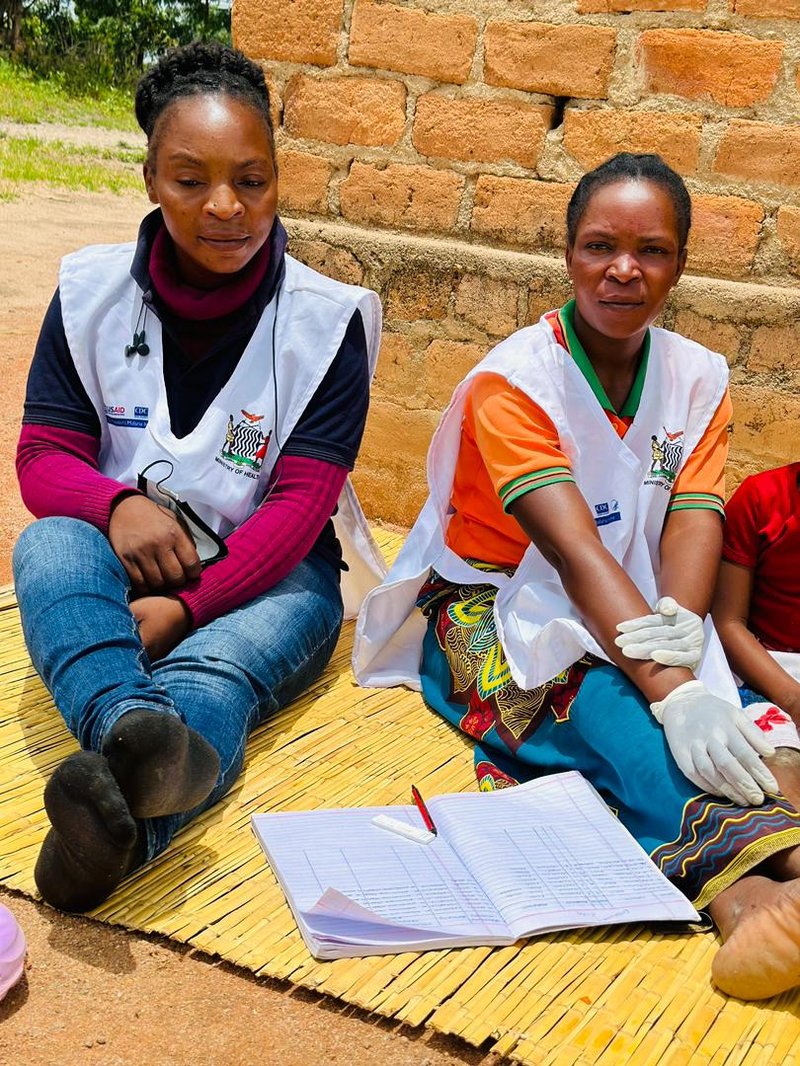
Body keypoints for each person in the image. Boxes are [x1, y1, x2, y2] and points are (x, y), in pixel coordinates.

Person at [354, 153, 800, 1001]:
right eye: (600, 245)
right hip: (488, 601)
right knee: (604, 706)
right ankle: (758, 890)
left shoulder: (699, 376)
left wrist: (682, 621)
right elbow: (570, 551)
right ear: (567, 255)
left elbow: (695, 513)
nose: (624, 269)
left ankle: (757, 897)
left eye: (652, 250)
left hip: (635, 599)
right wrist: (670, 687)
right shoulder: (515, 383)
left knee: (744, 722)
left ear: (679, 264)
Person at [12, 41, 383, 914]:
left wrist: (184, 609)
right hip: (121, 557)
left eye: (252, 180)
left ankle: (116, 840)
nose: (226, 207)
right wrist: (117, 505)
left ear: (278, 179)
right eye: (190, 179)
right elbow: (42, 458)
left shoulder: (327, 325)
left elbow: (298, 512)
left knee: (214, 676)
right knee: (51, 546)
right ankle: (122, 725)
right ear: (149, 178)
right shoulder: (90, 293)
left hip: (274, 578)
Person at [713, 463, 800, 733]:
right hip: (765, 672)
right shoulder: (763, 496)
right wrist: (793, 700)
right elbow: (726, 623)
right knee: (782, 767)